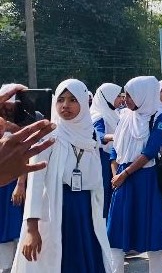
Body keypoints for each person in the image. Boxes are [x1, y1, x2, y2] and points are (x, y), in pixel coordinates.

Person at [13, 79, 111, 272]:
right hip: (56, 209)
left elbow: (96, 180)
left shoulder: (90, 136)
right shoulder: (48, 137)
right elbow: (36, 181)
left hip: (85, 211)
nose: (65, 105)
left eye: (73, 100)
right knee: (59, 261)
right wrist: (32, 228)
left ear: (84, 103)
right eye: (61, 100)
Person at [107, 76, 162, 273]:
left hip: (146, 179)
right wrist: (116, 174)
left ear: (143, 95)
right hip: (123, 178)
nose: (126, 99)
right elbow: (114, 150)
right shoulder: (124, 116)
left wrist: (123, 174)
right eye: (125, 95)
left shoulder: (157, 117)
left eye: (130, 95)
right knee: (116, 229)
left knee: (153, 231)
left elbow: (150, 151)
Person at [0, 84, 55, 187]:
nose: (5, 113)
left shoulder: (35, 118)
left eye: (11, 110)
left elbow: (25, 151)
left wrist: (20, 183)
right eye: (2, 108)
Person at [90, 83, 122, 219]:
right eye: (117, 96)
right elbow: (99, 135)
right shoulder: (98, 115)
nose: (121, 99)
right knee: (104, 193)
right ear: (107, 97)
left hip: (113, 157)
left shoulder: (113, 113)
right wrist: (117, 137)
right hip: (102, 159)